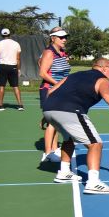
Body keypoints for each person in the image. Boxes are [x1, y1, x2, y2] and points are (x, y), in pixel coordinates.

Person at [42, 57, 109, 194]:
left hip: (49, 108)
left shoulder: (74, 75)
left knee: (69, 139)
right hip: (71, 110)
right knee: (95, 143)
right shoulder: (103, 79)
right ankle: (93, 183)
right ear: (103, 68)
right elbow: (107, 95)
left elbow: (51, 91)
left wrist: (47, 114)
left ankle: (64, 172)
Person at [38, 27, 72, 162]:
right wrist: (59, 84)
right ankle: (47, 153)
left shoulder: (62, 52)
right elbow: (42, 73)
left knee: (56, 121)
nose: (64, 39)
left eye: (65, 37)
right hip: (49, 90)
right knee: (53, 122)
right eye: (61, 37)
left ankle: (54, 148)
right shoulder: (49, 52)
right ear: (53, 38)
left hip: (59, 90)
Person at [0, 28, 25, 111]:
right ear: (10, 34)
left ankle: (0, 105)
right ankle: (20, 105)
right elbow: (18, 58)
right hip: (13, 67)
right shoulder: (16, 44)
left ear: (2, 35)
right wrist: (18, 69)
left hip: (2, 67)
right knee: (15, 86)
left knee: (1, 86)